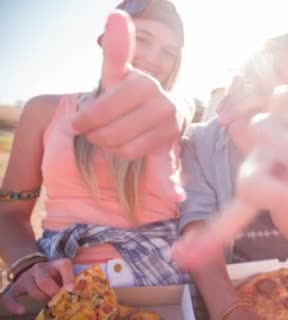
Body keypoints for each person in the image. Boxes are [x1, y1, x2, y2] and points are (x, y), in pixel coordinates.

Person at [0, 0, 190, 314]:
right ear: (105, 40)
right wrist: (28, 265)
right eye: (141, 39)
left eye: (169, 51)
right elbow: (9, 211)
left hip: (162, 290)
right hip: (60, 288)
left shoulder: (173, 115)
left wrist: (175, 112)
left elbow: (179, 110)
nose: (155, 59)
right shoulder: (43, 111)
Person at [176, 34, 288, 320]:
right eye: (265, 67)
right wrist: (229, 310)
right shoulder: (200, 140)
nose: (265, 83)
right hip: (234, 281)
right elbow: (199, 229)